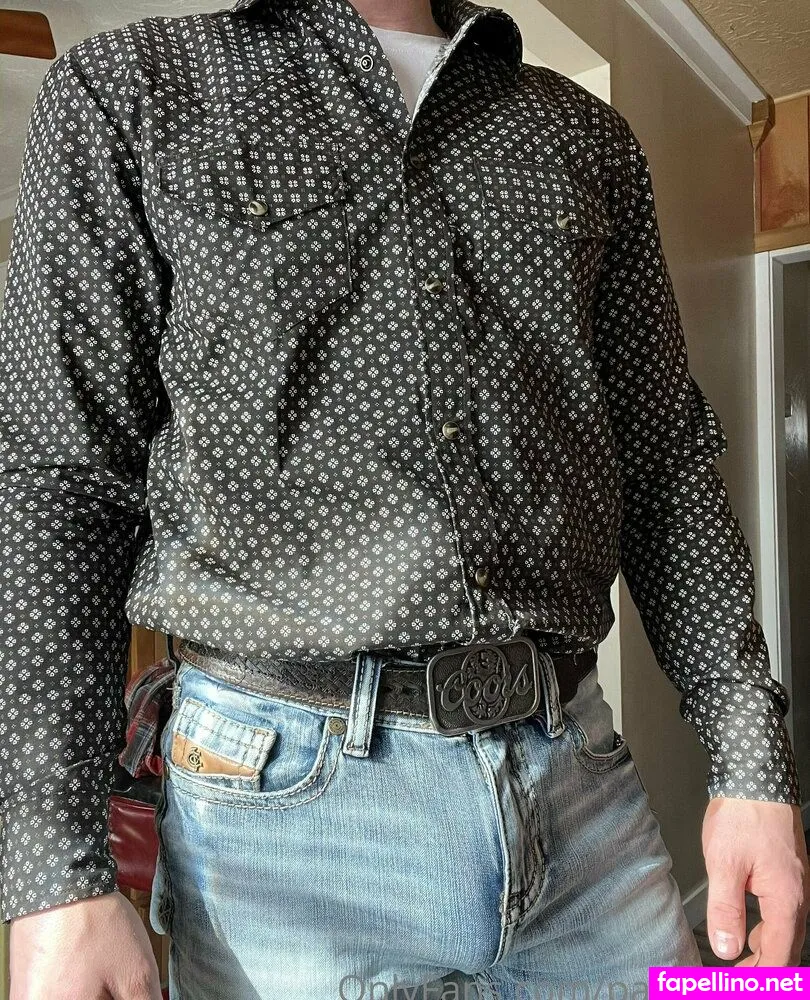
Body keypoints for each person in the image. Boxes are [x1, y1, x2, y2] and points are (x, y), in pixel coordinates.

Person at [1, 0, 807, 996]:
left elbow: (664, 463)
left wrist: (750, 759)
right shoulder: (129, 88)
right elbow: (58, 478)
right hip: (277, 822)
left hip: (582, 787)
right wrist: (56, 873)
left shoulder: (588, 135)